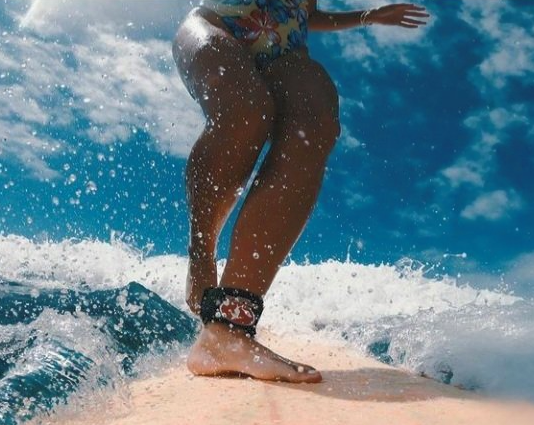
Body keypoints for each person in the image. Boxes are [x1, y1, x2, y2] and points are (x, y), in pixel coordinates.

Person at [172, 0, 429, 383]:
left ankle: (228, 330)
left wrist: (368, 17)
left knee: (315, 117)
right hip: (218, 26)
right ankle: (202, 249)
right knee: (247, 109)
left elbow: (311, 14)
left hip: (285, 49)